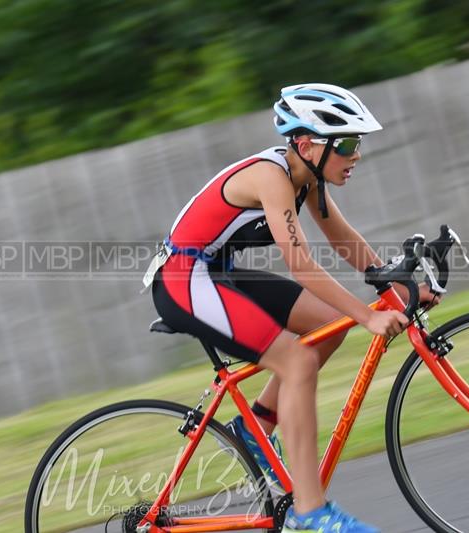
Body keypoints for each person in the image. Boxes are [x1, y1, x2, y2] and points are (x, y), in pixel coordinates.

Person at [148, 83, 441, 532]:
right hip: (184, 281)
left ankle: (255, 428)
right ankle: (311, 513)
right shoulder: (274, 178)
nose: (355, 154)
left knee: (330, 324)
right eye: (345, 143)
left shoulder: (308, 179)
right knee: (298, 361)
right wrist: (368, 315)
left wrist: (397, 288)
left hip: (215, 273)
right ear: (306, 145)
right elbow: (302, 266)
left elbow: (343, 241)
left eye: (357, 143)